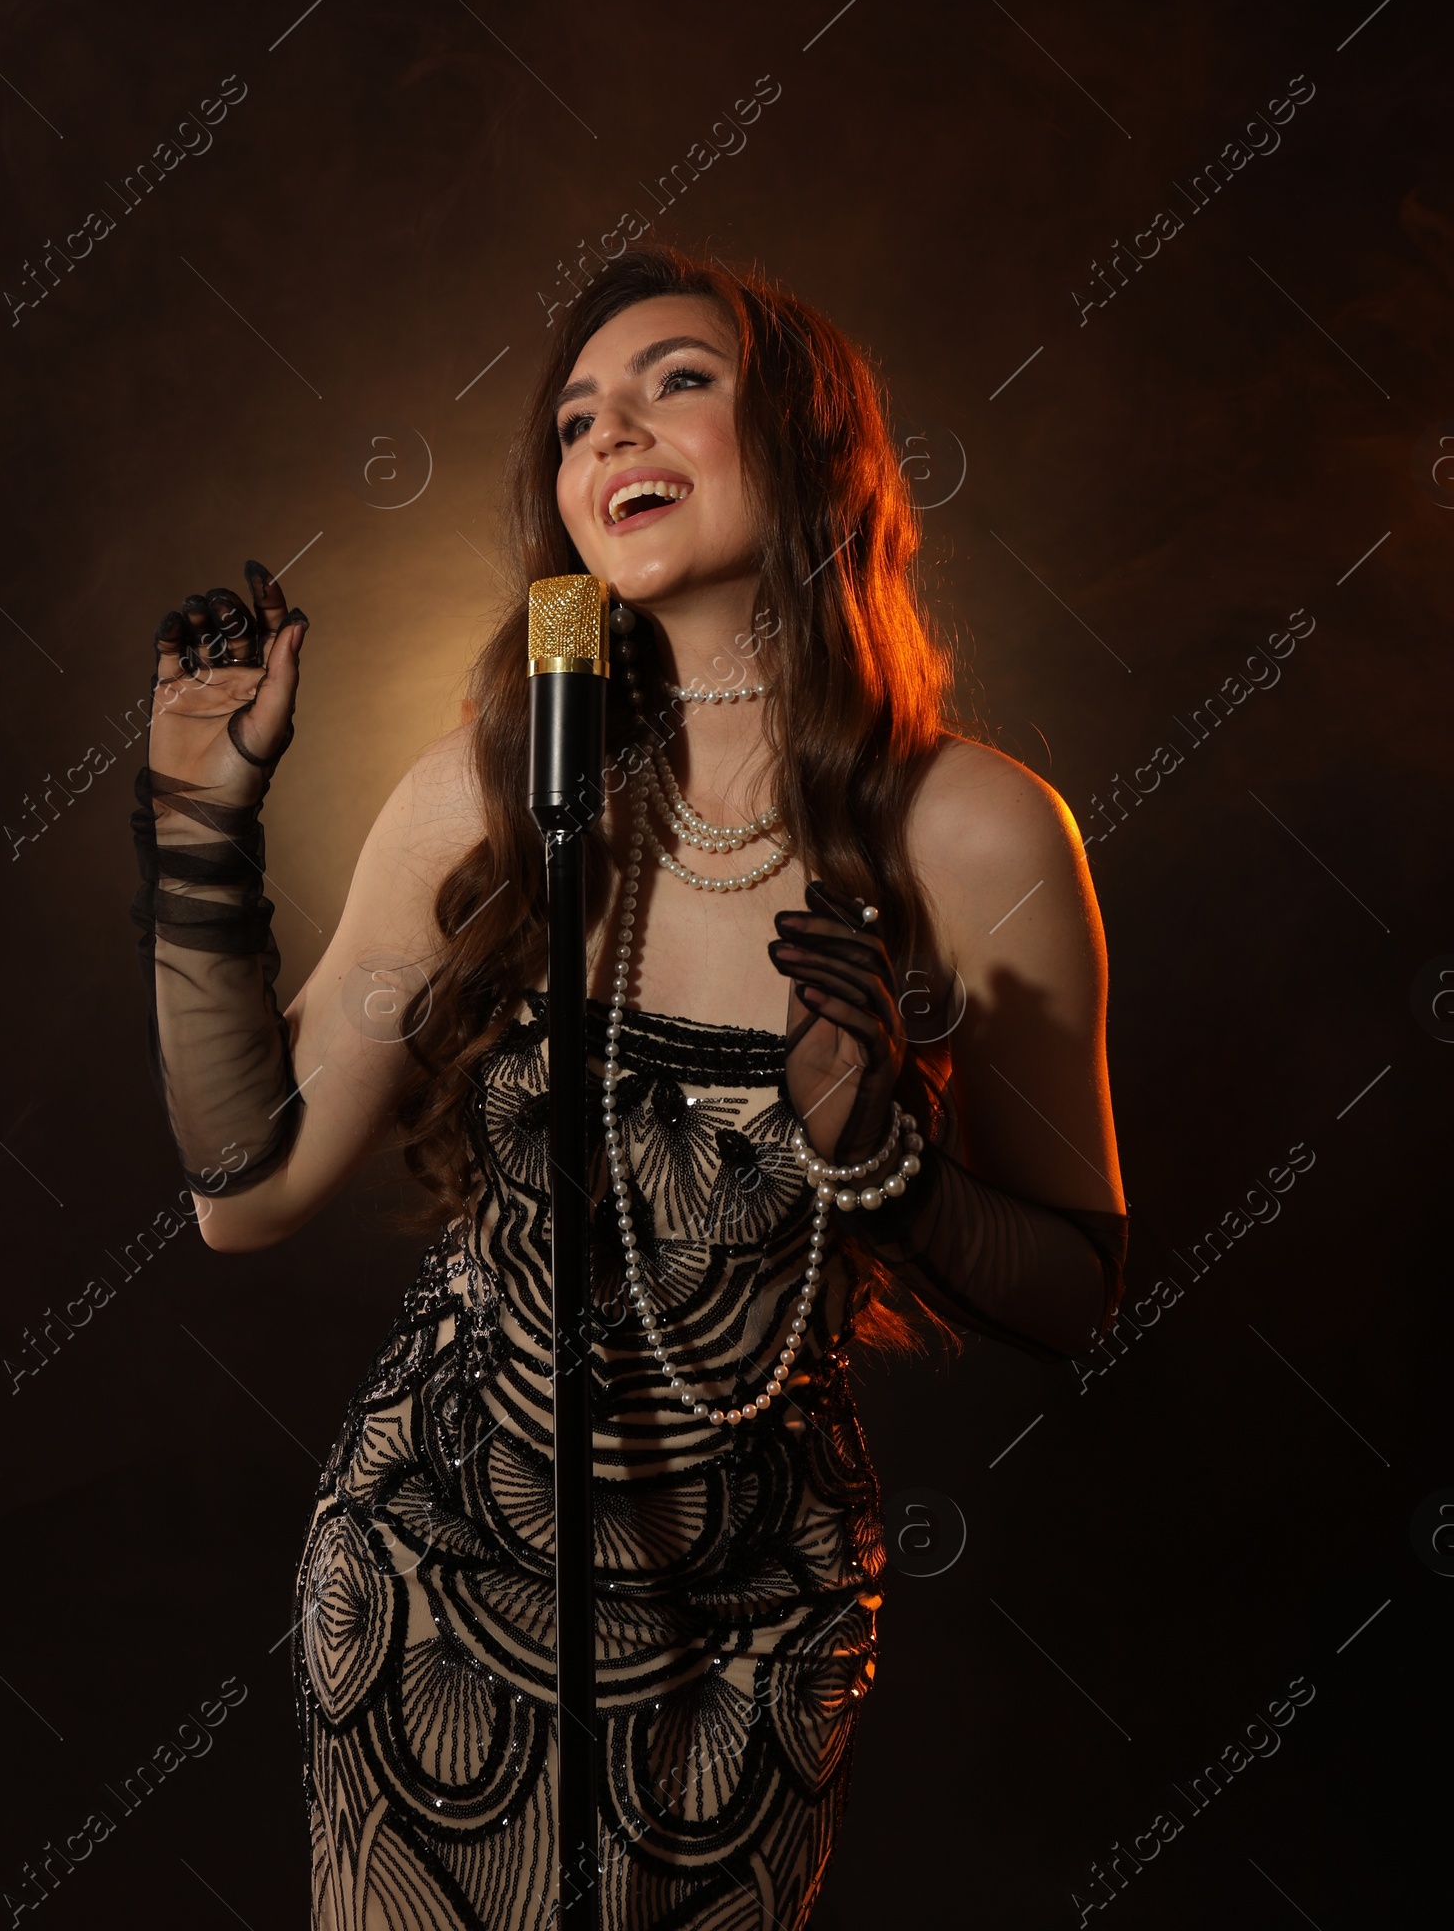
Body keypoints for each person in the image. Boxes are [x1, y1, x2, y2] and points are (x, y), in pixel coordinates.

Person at [129, 244, 1127, 1931]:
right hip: (429, 1586)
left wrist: (885, 1163)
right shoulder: (490, 790)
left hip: (752, 1629)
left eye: (677, 379)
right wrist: (197, 834)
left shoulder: (979, 831)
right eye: (577, 415)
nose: (611, 433)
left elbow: (1078, 1290)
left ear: (815, 446)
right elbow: (248, 1191)